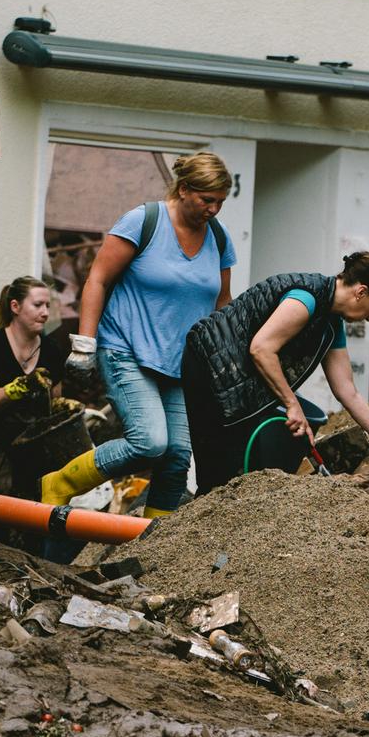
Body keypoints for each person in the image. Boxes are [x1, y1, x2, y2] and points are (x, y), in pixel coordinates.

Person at [41, 153, 236, 514]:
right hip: (125, 350)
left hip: (181, 364)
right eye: (207, 200)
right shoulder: (143, 221)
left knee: (177, 455)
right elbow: (97, 280)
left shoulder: (219, 239)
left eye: (221, 202)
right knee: (149, 442)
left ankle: (154, 542)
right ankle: (60, 483)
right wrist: (84, 345)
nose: (214, 209)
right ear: (184, 189)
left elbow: (222, 303)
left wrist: (225, 359)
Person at [178, 251, 369, 494]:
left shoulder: (331, 323)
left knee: (233, 471)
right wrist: (292, 404)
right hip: (209, 367)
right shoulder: (306, 298)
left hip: (238, 380)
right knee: (217, 472)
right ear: (361, 292)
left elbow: (348, 391)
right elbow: (262, 349)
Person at [0, 276, 66, 498]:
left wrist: (64, 409)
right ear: (15, 306)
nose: (45, 312)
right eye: (37, 305)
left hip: (29, 448)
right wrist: (19, 388)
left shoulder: (52, 351)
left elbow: (53, 406)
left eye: (47, 305)